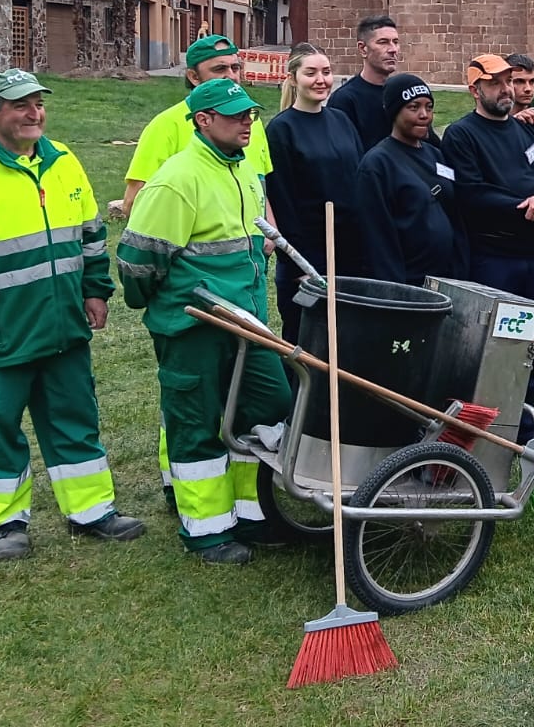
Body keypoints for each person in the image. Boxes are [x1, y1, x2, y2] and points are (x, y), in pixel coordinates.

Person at [0, 69, 144, 560]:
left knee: (75, 417)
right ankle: (9, 522)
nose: (33, 113)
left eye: (38, 103)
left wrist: (95, 290)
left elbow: (90, 237)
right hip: (0, 333)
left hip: (63, 327)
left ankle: (90, 511)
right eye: (20, 105)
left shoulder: (63, 162)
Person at [117, 79, 291, 565]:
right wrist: (171, 304)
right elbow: (137, 263)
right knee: (196, 422)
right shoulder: (177, 179)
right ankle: (208, 531)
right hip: (192, 325)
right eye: (236, 116)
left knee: (269, 405)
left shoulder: (244, 172)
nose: (247, 123)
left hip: (247, 323)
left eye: (251, 115)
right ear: (203, 121)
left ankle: (250, 511)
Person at [442, 54, 534, 440]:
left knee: (528, 340)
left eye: (509, 81)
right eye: (496, 83)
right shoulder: (462, 135)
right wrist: (528, 206)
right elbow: (471, 194)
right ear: (475, 90)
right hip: (491, 258)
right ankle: (478, 424)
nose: (506, 89)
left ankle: (521, 420)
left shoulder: (529, 133)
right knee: (488, 345)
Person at [265, 43, 366, 342]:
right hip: (308, 257)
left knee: (347, 342)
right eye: (311, 73)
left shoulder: (341, 121)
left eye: (326, 72)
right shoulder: (282, 129)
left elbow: (358, 179)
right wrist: (299, 265)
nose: (321, 80)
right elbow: (282, 200)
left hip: (348, 253)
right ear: (293, 78)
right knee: (307, 342)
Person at [122, 34, 275, 217]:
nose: (231, 76)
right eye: (219, 69)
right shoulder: (165, 125)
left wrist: (270, 235)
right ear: (194, 76)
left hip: (254, 243)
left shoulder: (251, 120)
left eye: (235, 68)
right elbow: (134, 203)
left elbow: (260, 189)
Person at [355, 74, 468, 286]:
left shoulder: (435, 155)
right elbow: (377, 237)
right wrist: (396, 292)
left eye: (429, 107)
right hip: (409, 285)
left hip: (445, 281)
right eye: (414, 107)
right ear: (394, 112)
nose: (424, 115)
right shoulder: (377, 164)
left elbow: (454, 213)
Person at [329, 15, 405, 152]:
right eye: (383, 42)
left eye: (396, 42)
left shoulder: (403, 93)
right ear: (363, 48)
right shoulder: (345, 100)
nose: (393, 49)